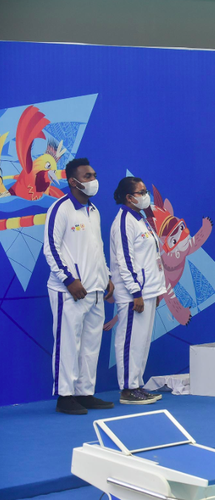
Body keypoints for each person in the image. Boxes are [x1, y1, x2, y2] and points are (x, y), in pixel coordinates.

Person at [43, 158, 115, 415]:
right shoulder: (60, 209)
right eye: (87, 176)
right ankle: (65, 396)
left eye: (94, 174)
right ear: (73, 181)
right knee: (68, 343)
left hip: (95, 290)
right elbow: (51, 248)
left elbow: (97, 249)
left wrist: (107, 277)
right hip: (69, 291)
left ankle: (85, 393)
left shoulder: (94, 211)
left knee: (91, 344)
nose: (93, 180)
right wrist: (68, 280)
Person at [110, 177, 167, 404]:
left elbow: (151, 257)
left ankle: (137, 384)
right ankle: (127, 389)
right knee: (130, 340)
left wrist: (156, 290)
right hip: (134, 294)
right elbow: (125, 260)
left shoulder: (140, 219)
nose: (146, 195)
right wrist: (136, 293)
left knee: (141, 342)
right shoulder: (124, 221)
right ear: (129, 198)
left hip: (148, 292)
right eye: (141, 192)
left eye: (145, 191)